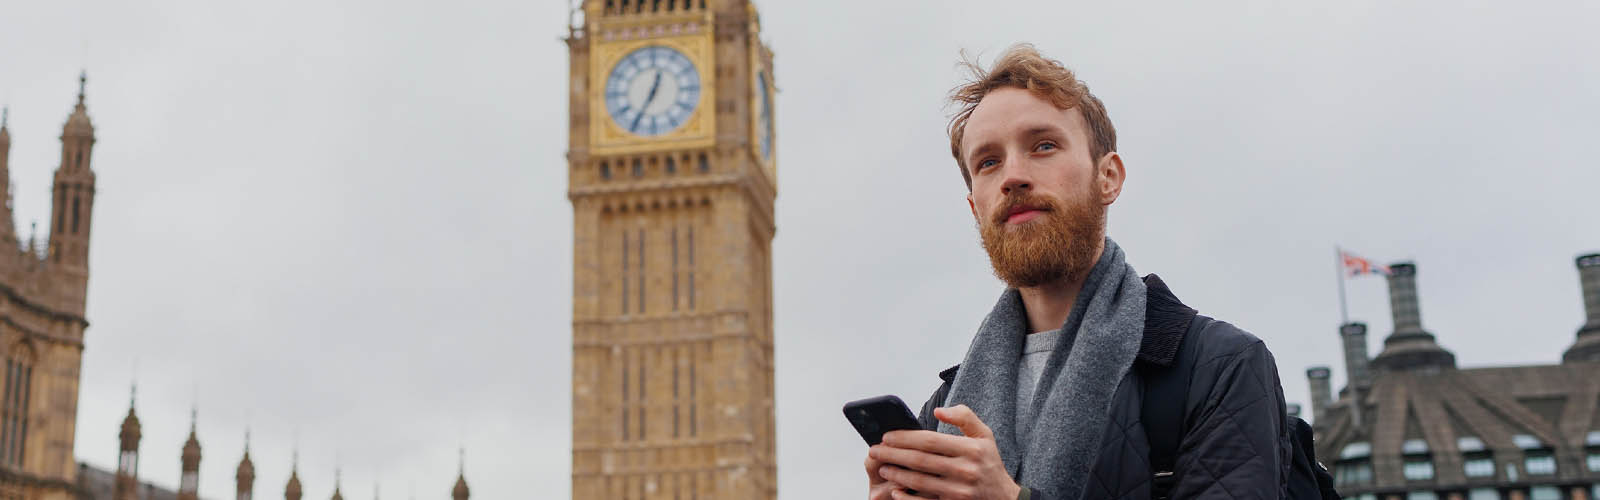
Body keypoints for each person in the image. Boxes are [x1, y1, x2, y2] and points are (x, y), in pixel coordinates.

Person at [863, 44, 1291, 500]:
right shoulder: (943, 412)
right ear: (975, 207)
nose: (1012, 176)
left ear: (1108, 177)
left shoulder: (1219, 366)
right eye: (988, 162)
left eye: (1043, 146)